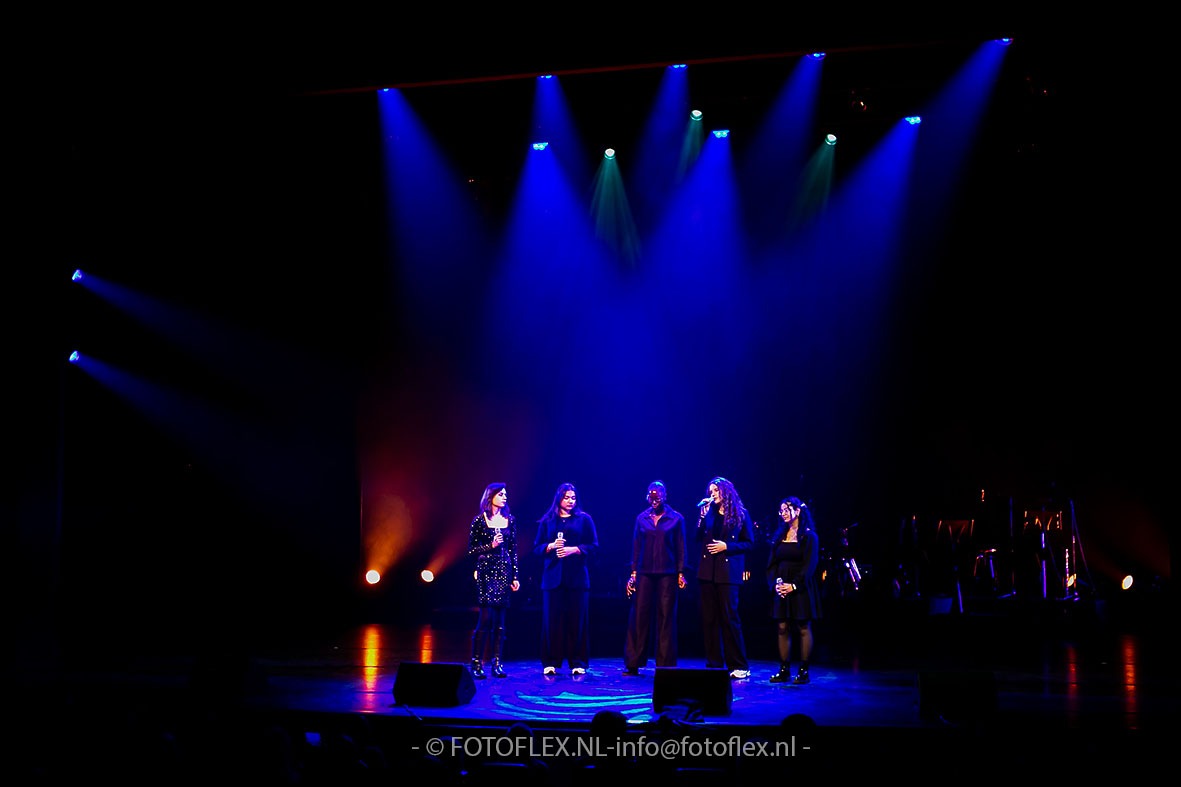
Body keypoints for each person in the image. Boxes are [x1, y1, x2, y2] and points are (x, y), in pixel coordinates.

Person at [532, 482, 599, 676]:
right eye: (567, 497)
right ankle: (550, 661)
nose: (570, 501)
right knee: (551, 621)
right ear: (559, 498)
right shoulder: (548, 520)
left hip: (577, 577)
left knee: (577, 621)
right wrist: (550, 546)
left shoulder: (584, 519)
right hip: (552, 578)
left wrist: (575, 549)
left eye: (573, 498)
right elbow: (537, 548)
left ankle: (577, 661)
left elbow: (594, 546)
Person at [623, 480, 686, 675]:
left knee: (666, 618)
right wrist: (633, 573)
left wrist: (681, 572)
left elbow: (681, 547)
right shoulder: (641, 518)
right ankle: (634, 662)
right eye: (651, 497)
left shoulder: (676, 518)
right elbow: (636, 546)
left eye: (657, 496)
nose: (654, 500)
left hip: (667, 573)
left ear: (664, 496)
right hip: (644, 572)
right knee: (639, 616)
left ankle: (665, 665)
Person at [694, 476, 754, 679]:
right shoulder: (709, 512)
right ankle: (714, 663)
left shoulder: (741, 514)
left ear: (726, 492)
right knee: (709, 619)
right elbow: (697, 537)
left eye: (716, 491)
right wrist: (701, 518)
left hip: (728, 574)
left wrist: (727, 546)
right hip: (708, 572)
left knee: (730, 618)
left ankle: (739, 665)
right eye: (710, 491)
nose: (712, 495)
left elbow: (749, 543)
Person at [766, 496, 822, 684]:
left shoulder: (809, 536)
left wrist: (794, 585)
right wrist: (776, 583)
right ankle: (784, 669)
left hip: (801, 586)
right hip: (781, 586)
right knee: (782, 627)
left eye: (786, 510)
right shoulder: (779, 536)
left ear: (797, 511)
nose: (782, 513)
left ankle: (804, 670)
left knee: (803, 626)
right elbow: (772, 563)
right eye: (781, 510)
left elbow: (810, 565)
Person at [466, 483, 520, 678]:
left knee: (500, 621)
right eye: (501, 494)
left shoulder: (510, 520)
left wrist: (515, 576)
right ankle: (476, 663)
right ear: (491, 497)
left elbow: (513, 550)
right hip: (486, 572)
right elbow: (471, 550)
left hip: (504, 570)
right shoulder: (479, 521)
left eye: (506, 494)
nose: (505, 497)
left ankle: (497, 663)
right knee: (486, 619)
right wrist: (491, 545)